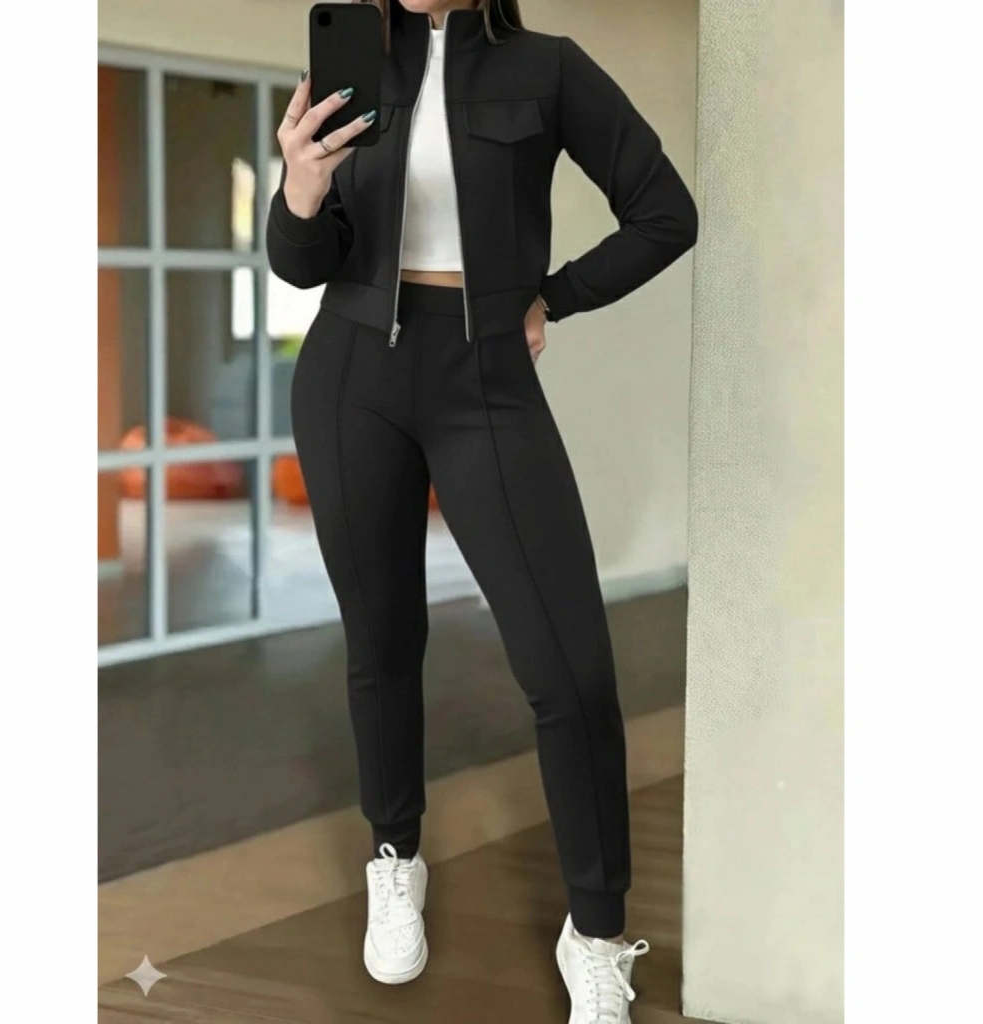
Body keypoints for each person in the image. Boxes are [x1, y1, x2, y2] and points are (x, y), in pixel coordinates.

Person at [267, 1, 697, 1019]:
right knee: (381, 642)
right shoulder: (349, 66)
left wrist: (553, 295)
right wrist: (300, 186)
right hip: (349, 378)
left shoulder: (549, 68)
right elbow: (299, 263)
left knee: (571, 670)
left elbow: (665, 213)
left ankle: (595, 931)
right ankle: (395, 856)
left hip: (487, 382)